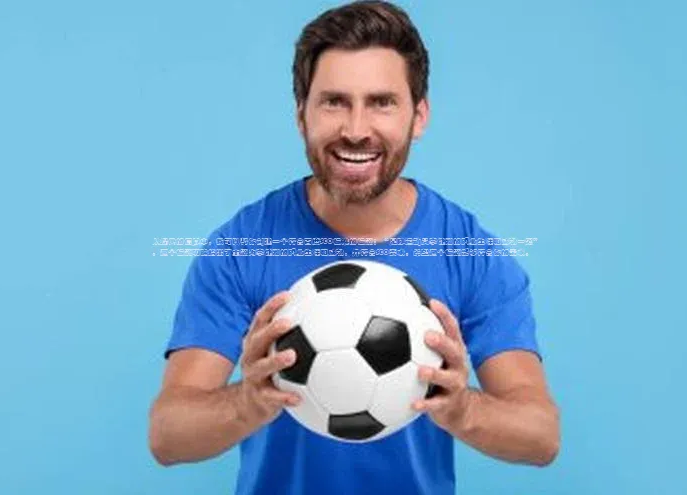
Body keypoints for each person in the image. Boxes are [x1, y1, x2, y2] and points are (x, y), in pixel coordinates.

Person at [148, 1, 560, 493]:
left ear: (419, 115)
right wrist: (247, 402)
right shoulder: (243, 247)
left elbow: (541, 436)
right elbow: (168, 435)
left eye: (381, 102)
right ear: (301, 115)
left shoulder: (468, 254)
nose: (356, 129)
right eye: (334, 102)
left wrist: (463, 408)